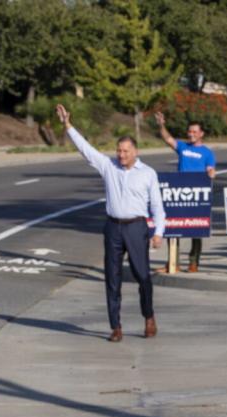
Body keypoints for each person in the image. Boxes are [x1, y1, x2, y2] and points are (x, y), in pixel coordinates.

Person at [56, 104, 165, 343]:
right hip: (114, 227)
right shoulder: (108, 167)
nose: (121, 155)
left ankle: (149, 316)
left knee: (142, 276)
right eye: (118, 151)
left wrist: (159, 231)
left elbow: (157, 205)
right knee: (112, 278)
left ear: (135, 151)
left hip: (137, 227)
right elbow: (86, 150)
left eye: (125, 151)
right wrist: (68, 125)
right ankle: (115, 326)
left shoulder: (148, 173)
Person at [154, 112, 216, 273]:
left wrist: (211, 174)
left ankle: (193, 262)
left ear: (201, 134)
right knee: (173, 227)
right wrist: (161, 125)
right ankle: (173, 262)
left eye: (195, 132)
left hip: (196, 195)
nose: (191, 134)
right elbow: (167, 138)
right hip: (179, 192)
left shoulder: (207, 153)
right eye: (189, 131)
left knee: (197, 229)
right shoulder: (183, 147)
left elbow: (210, 169)